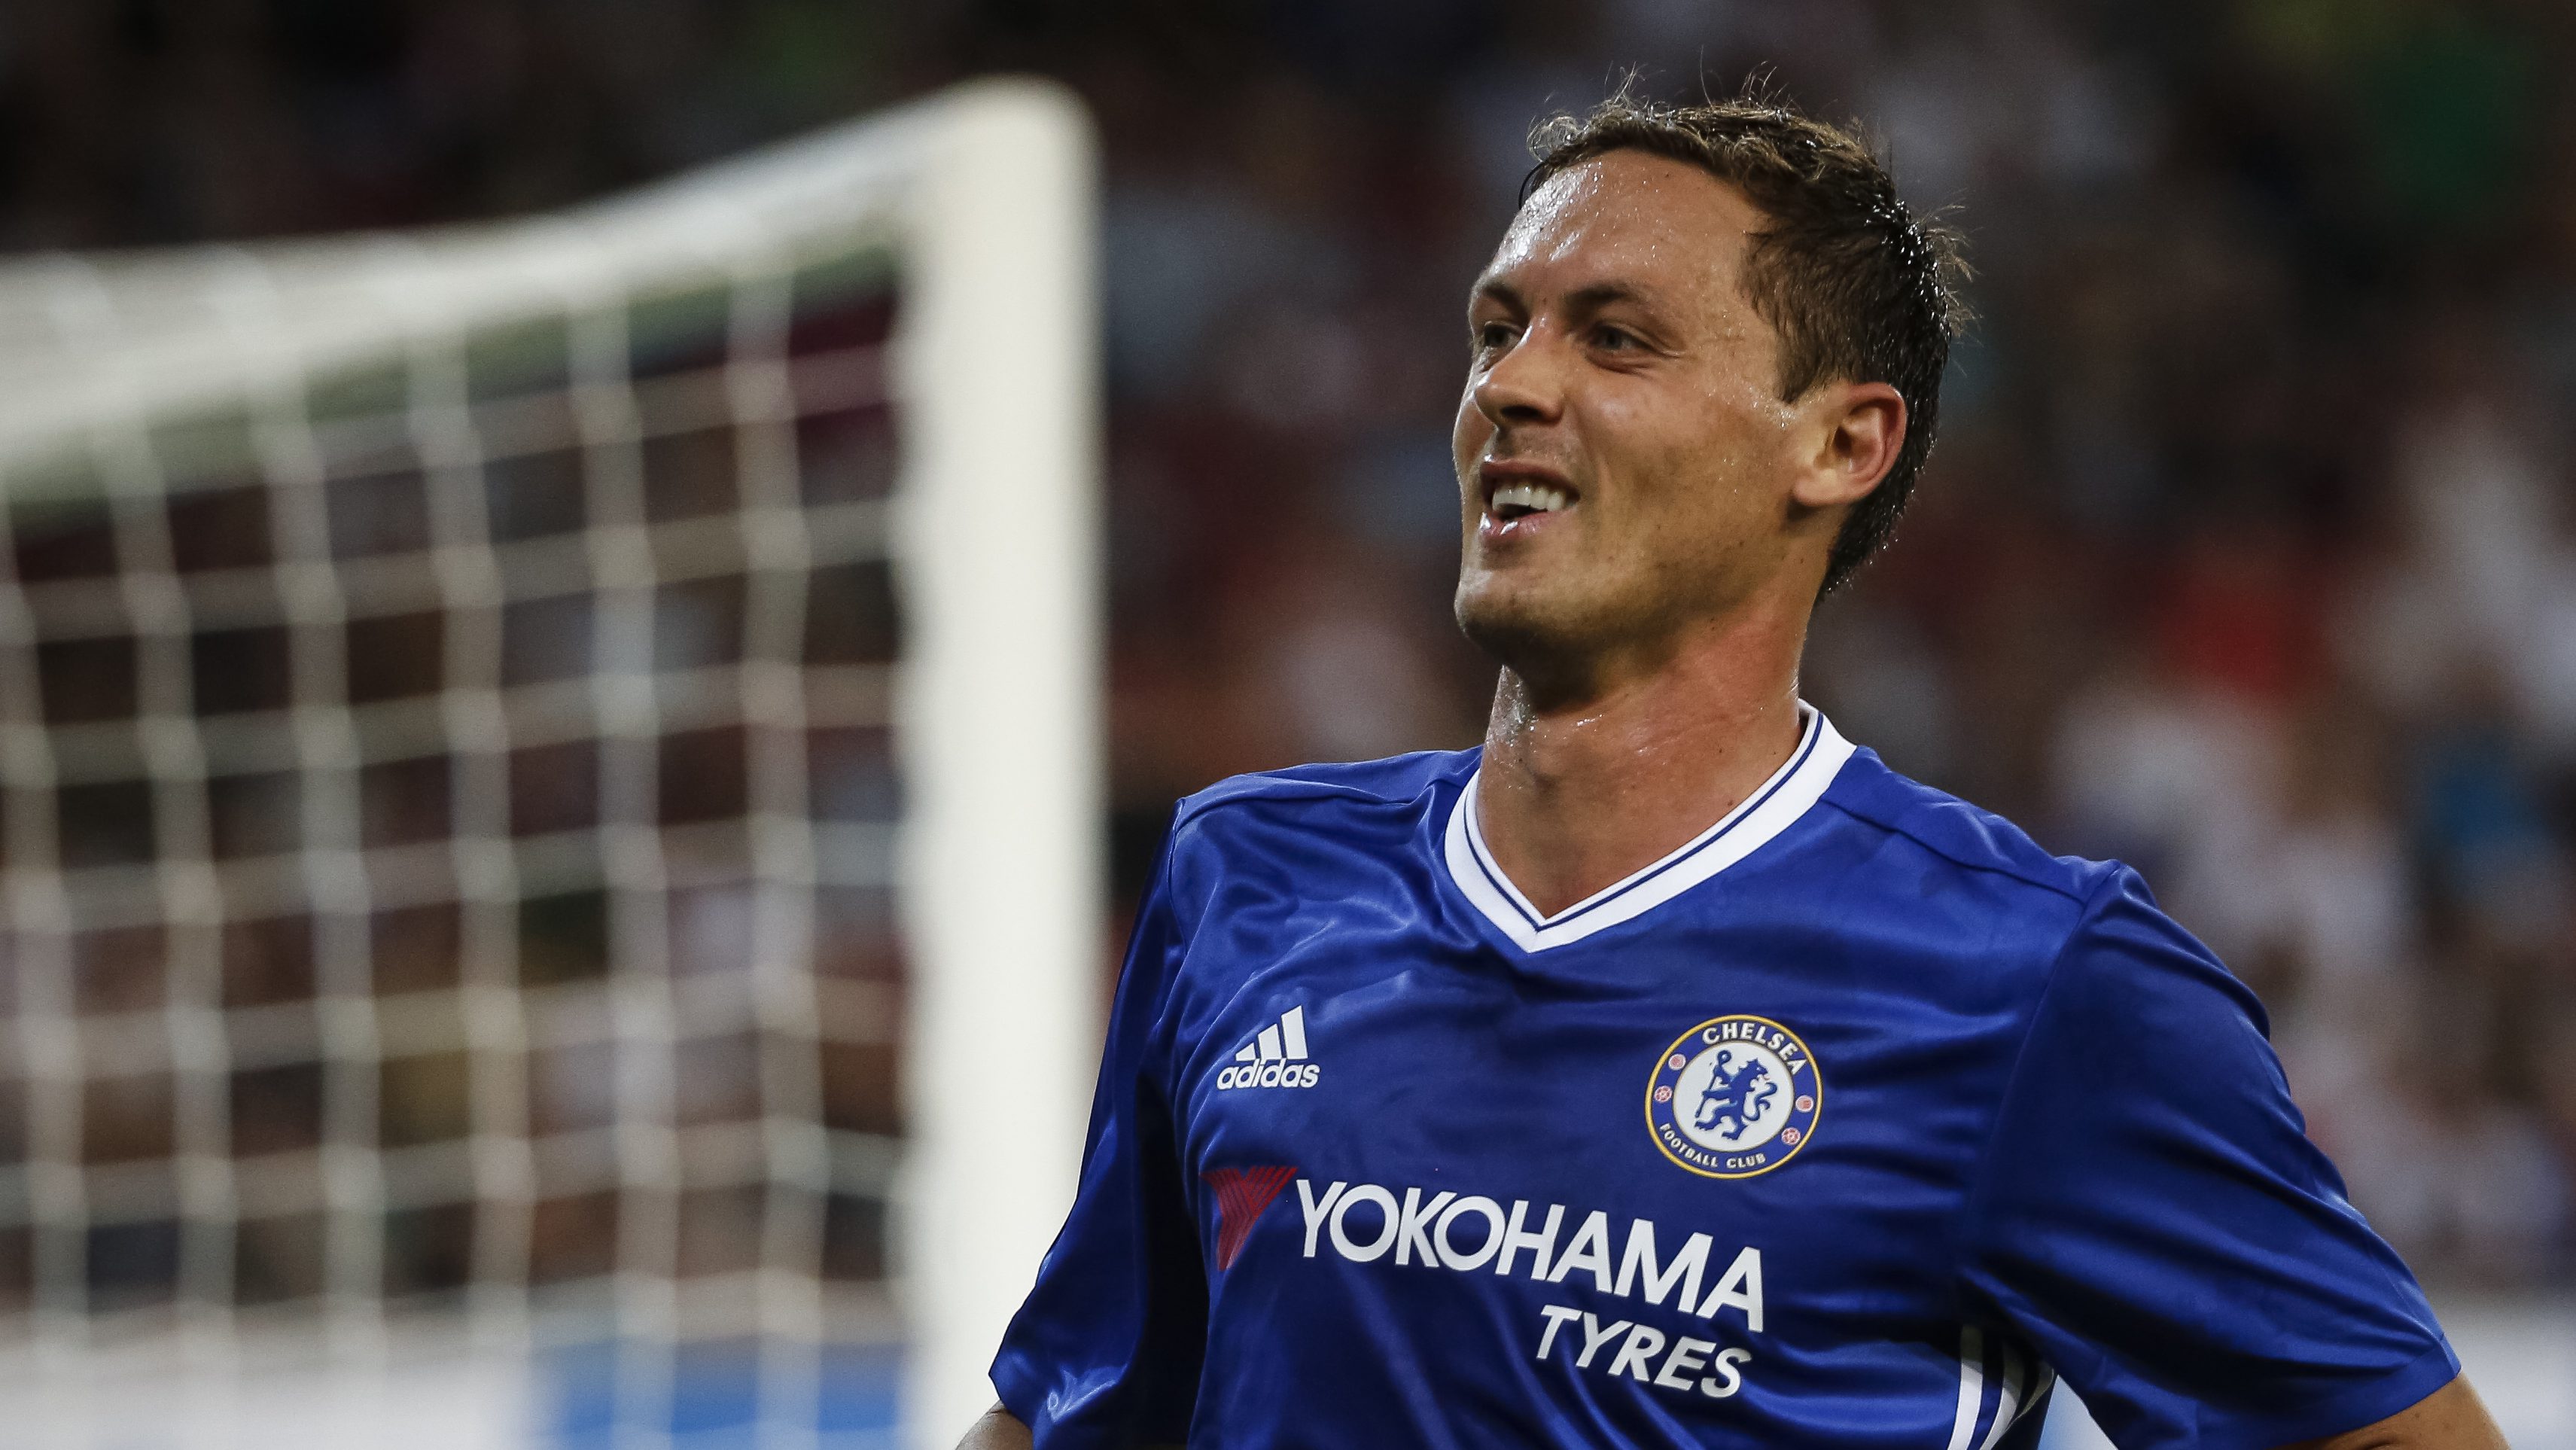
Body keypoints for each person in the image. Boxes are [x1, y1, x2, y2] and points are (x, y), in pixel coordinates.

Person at [964, 89, 2508, 1449]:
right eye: (1497, 327)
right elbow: (1086, 1408)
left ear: (1838, 446)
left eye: (1614, 337)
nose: (1510, 383)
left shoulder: (2035, 983)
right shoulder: (1252, 875)